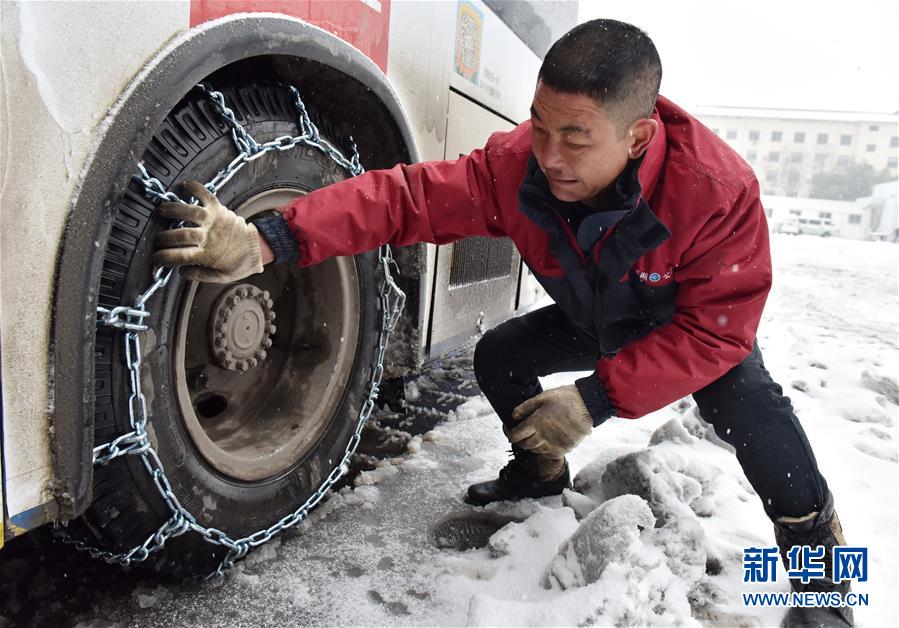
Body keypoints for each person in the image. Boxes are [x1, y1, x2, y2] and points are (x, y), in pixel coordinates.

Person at [154, 20, 851, 627]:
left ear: (637, 136)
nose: (548, 155)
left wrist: (596, 399)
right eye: (539, 125)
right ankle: (539, 474)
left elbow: (718, 330)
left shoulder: (715, 192)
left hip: (685, 334)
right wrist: (267, 238)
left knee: (757, 415)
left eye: (575, 138)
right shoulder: (519, 167)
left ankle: (822, 575)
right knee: (499, 356)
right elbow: (402, 200)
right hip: (597, 319)